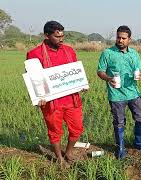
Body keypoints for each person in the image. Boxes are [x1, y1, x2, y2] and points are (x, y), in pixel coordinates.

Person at [26, 21, 84, 164]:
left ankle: (69, 152)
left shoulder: (69, 51)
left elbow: (75, 73)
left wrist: (81, 83)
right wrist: (38, 96)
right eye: (57, 37)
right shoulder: (34, 54)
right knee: (55, 131)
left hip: (71, 99)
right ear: (47, 35)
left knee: (77, 128)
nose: (61, 39)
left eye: (63, 36)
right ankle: (59, 157)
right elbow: (34, 80)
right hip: (51, 102)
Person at [97, 25, 141, 159]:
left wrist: (140, 75)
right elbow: (100, 71)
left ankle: (139, 143)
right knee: (119, 121)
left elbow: (139, 70)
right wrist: (108, 78)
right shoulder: (107, 53)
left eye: (123, 38)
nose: (120, 40)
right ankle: (120, 147)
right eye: (118, 37)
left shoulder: (134, 54)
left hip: (133, 92)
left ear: (129, 39)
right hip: (116, 94)